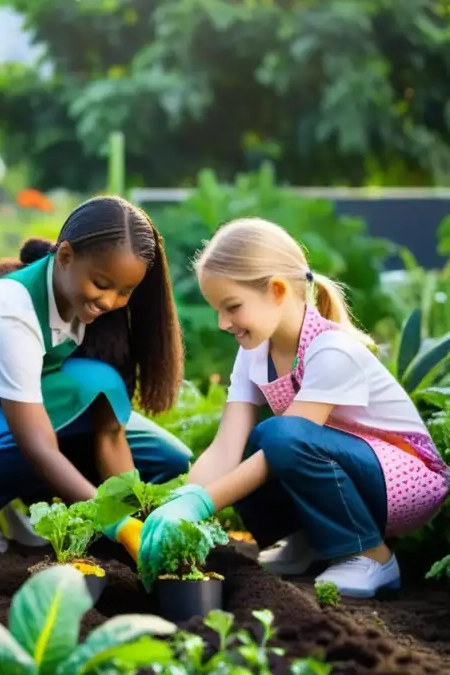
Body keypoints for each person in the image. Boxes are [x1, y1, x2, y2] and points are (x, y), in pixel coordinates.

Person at [139, 217, 450, 598]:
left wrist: (203, 503)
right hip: (345, 467)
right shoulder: (254, 354)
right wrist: (181, 501)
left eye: (232, 306)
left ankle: (373, 555)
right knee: (259, 441)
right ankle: (311, 541)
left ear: (276, 290)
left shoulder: (332, 350)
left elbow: (287, 446)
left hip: (406, 481)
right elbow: (226, 448)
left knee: (277, 437)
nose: (223, 323)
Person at [0, 195, 192, 559]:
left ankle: (39, 508)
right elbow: (38, 446)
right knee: (76, 407)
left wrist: (131, 513)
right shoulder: (12, 314)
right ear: (65, 257)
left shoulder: (79, 300)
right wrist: (116, 522)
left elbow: (109, 430)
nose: (110, 302)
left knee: (164, 456)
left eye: (124, 292)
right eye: (102, 284)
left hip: (4, 406)